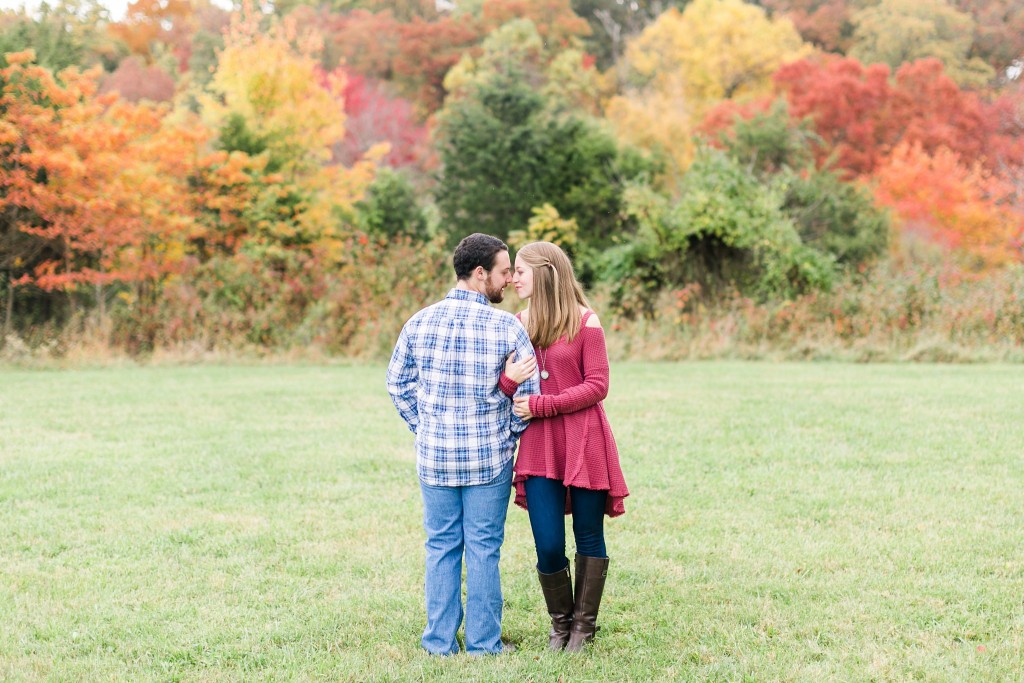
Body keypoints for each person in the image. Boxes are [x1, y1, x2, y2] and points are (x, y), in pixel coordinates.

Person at [386, 233, 539, 656]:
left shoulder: (418, 322)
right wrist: (507, 434)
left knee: (440, 545)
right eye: (504, 271)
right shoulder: (507, 326)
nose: (508, 280)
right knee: (484, 549)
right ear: (479, 273)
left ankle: (438, 642)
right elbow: (531, 392)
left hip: (435, 458)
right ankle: (484, 644)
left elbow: (397, 385)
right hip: (488, 460)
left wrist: (427, 427)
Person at [500, 241, 629, 652]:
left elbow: (598, 385)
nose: (513, 278)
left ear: (547, 272)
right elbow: (506, 387)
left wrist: (543, 404)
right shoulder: (518, 324)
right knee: (549, 542)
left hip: (584, 439)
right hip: (539, 445)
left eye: (520, 270)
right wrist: (509, 382)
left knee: (588, 533)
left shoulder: (586, 323)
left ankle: (582, 630)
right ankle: (561, 624)